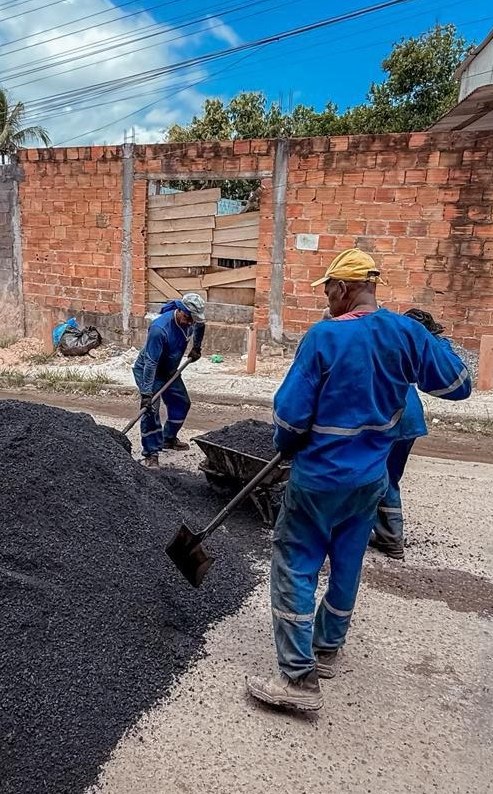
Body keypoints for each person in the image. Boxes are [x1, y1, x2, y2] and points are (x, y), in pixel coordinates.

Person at [246, 250, 472, 711]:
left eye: (328, 287)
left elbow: (290, 414)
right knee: (347, 561)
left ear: (345, 288)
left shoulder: (325, 337)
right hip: (370, 477)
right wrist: (432, 343)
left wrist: (286, 444)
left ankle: (297, 679)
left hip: (318, 477)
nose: (326, 296)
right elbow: (458, 385)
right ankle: (327, 649)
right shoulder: (406, 333)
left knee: (296, 563)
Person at [370, 308, 449, 560]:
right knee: (389, 477)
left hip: (389, 415)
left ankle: (381, 537)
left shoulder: (389, 341)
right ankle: (390, 538)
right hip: (410, 415)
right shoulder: (421, 346)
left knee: (371, 476)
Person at [133, 292, 206, 467]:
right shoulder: (160, 329)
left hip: (169, 370)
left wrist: (196, 347)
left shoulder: (191, 320)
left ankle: (168, 438)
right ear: (179, 310)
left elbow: (201, 326)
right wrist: (146, 393)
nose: (190, 323)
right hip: (150, 371)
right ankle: (151, 453)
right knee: (151, 410)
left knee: (181, 403)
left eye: (193, 320)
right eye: (188, 318)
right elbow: (150, 363)